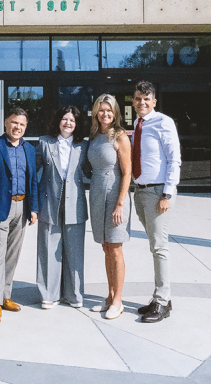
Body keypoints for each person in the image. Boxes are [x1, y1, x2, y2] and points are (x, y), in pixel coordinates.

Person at [0, 108, 38, 326]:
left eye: (21, 124)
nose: (17, 127)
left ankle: (6, 296)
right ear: (5, 123)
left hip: (22, 208)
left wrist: (34, 208)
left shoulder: (29, 149)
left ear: (25, 127)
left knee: (12, 256)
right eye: (13, 123)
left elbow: (33, 182)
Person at [131, 80, 181, 323]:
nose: (142, 102)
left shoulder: (164, 122)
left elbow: (174, 159)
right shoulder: (137, 123)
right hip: (140, 192)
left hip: (158, 193)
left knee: (160, 247)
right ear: (134, 100)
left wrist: (167, 194)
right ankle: (162, 298)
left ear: (154, 102)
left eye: (146, 99)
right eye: (138, 98)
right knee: (154, 244)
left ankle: (162, 302)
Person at [35, 106, 89, 309]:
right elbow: (33, 172)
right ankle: (49, 294)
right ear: (58, 121)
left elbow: (91, 171)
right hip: (49, 202)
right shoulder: (44, 142)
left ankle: (74, 294)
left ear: (77, 125)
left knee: (74, 251)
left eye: (72, 120)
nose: (68, 123)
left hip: (75, 203)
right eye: (65, 119)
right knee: (48, 249)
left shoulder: (83, 146)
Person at [87, 94, 132, 320]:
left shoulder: (120, 137)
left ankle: (118, 300)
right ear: (96, 112)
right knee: (105, 247)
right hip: (96, 192)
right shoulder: (95, 136)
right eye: (101, 110)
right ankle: (109, 295)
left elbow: (127, 173)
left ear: (115, 113)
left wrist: (120, 204)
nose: (105, 114)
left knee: (115, 247)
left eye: (109, 110)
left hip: (115, 194)